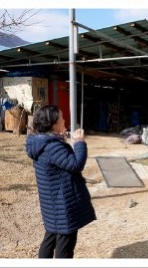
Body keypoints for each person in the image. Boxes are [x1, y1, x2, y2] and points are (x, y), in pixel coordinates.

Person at [25, 104, 96, 258]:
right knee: (65, 246)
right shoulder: (52, 146)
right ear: (53, 124)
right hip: (63, 206)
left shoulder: (41, 142)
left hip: (52, 204)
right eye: (61, 118)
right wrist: (79, 143)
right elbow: (76, 164)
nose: (64, 121)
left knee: (50, 239)